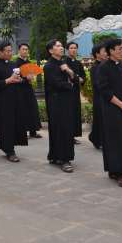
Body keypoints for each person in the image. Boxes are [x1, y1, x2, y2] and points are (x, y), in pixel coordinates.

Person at [97, 39, 122, 187]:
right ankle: (119, 172)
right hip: (112, 109)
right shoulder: (104, 68)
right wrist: (120, 104)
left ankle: (119, 169)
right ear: (111, 51)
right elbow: (104, 90)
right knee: (114, 140)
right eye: (119, 48)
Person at [44, 40, 76, 172]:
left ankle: (57, 156)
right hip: (56, 102)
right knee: (59, 128)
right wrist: (70, 85)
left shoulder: (64, 63)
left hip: (66, 101)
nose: (61, 48)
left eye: (61, 45)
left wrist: (68, 70)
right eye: (57, 46)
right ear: (51, 51)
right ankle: (63, 159)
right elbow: (56, 84)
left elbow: (75, 77)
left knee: (66, 128)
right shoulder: (49, 66)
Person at [0, 42, 26, 162]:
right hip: (4, 100)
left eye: (11, 50)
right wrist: (9, 80)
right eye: (7, 51)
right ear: (0, 52)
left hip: (15, 98)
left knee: (14, 124)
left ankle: (7, 146)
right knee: (6, 125)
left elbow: (19, 79)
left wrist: (21, 79)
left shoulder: (14, 64)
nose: (10, 53)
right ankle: (10, 151)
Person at [15, 43, 42, 139]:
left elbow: (32, 74)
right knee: (23, 110)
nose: (25, 51)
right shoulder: (16, 63)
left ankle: (33, 131)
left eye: (27, 49)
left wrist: (31, 78)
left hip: (29, 89)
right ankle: (23, 132)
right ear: (19, 51)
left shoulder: (29, 62)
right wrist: (26, 78)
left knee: (32, 109)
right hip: (20, 89)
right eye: (23, 49)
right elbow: (16, 77)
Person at [65, 42, 86, 144]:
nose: (73, 50)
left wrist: (78, 79)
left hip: (76, 92)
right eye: (71, 48)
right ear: (67, 50)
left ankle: (73, 136)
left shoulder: (78, 63)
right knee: (68, 114)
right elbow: (67, 78)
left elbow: (83, 77)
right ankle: (67, 136)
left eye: (75, 48)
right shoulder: (64, 62)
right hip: (67, 92)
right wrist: (77, 79)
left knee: (75, 114)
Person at [88, 43, 107, 149]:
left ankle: (96, 138)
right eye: (104, 51)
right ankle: (97, 139)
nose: (106, 53)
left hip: (106, 96)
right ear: (97, 54)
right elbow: (97, 84)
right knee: (100, 118)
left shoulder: (106, 65)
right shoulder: (95, 68)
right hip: (99, 97)